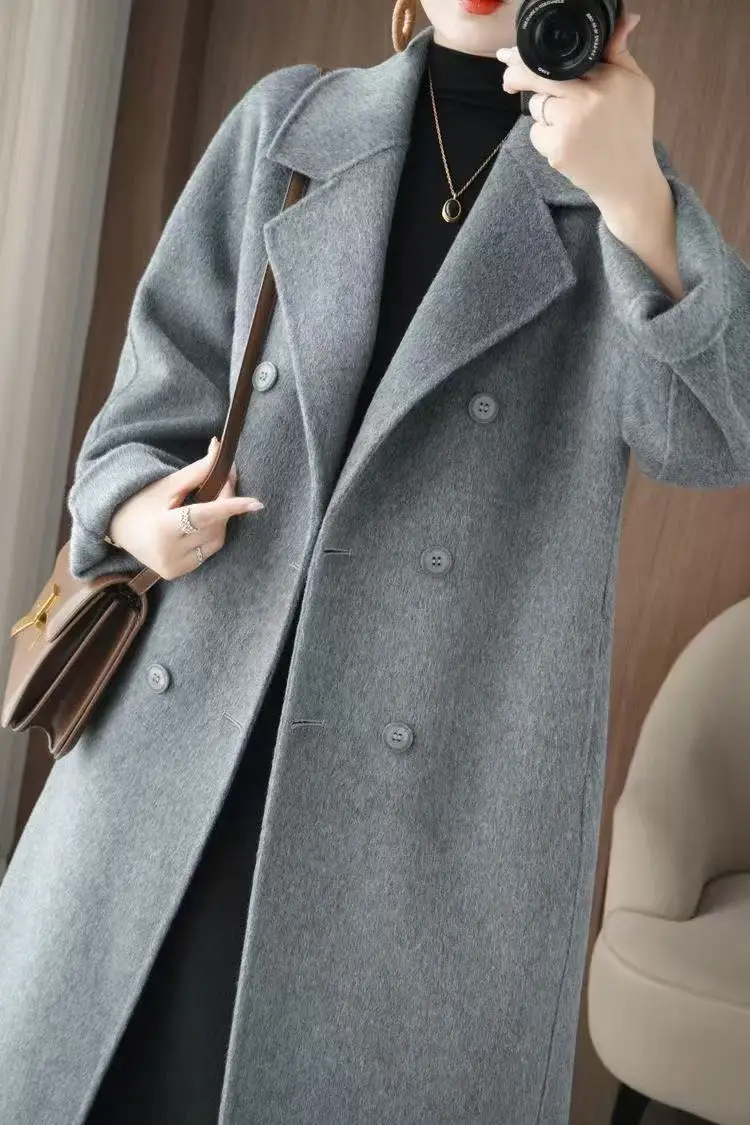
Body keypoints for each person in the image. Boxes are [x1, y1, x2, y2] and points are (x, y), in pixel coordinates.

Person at [2, 1, 749, 1123]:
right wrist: (136, 512)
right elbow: (145, 408)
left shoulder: (613, 195)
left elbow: (716, 439)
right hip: (192, 724)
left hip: (421, 787)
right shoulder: (288, 124)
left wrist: (635, 194)